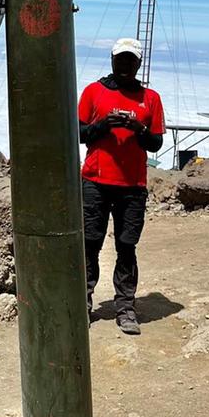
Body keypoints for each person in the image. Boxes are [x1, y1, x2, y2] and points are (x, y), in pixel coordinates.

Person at [78, 39, 165, 334]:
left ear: (138, 64)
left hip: (132, 186)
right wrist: (104, 124)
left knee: (126, 246)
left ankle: (125, 307)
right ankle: (82, 305)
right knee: (90, 244)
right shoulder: (94, 91)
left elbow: (155, 143)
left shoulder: (150, 98)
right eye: (121, 59)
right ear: (112, 60)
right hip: (95, 182)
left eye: (131, 61)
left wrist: (138, 129)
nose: (125, 65)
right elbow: (78, 133)